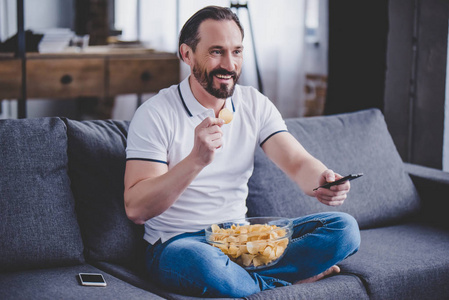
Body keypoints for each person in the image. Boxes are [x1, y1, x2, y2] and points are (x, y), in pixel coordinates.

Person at [124, 5, 360, 298]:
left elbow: (297, 162)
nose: (229, 64)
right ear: (187, 54)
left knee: (344, 229)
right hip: (179, 243)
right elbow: (136, 209)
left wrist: (322, 181)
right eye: (216, 52)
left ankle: (247, 283)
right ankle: (284, 282)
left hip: (243, 241)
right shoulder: (155, 114)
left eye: (236, 52)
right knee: (204, 264)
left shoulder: (254, 103)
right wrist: (196, 160)